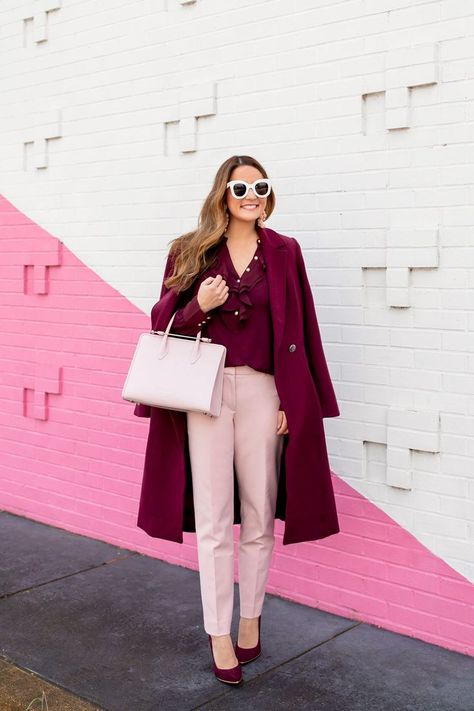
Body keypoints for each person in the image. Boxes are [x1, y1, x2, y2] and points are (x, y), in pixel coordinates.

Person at [136, 154, 341, 685]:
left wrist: (292, 402)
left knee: (259, 512)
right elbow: (161, 324)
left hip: (263, 391)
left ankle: (250, 619)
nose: (252, 195)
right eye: (240, 187)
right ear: (222, 193)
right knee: (212, 519)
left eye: (261, 186)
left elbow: (302, 326)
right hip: (206, 390)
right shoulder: (190, 249)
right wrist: (198, 306)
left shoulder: (285, 251)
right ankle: (218, 633)